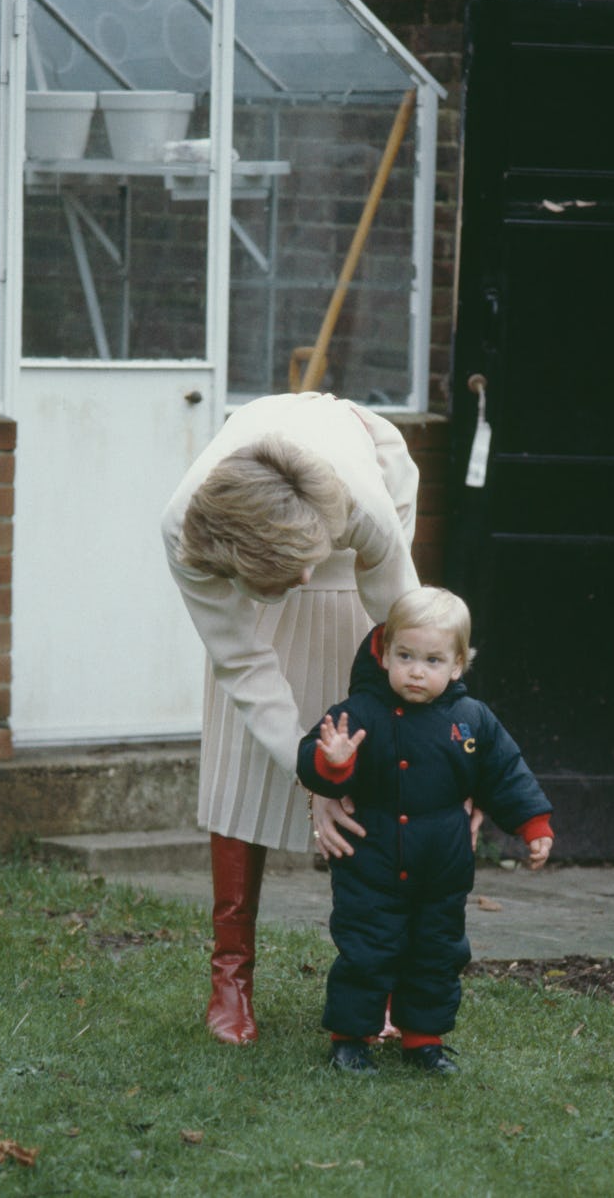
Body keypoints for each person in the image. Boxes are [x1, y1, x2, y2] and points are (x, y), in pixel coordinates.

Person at [161, 391, 421, 1044]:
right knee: (241, 764)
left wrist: (427, 741)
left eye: (307, 562)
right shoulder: (186, 535)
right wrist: (312, 777)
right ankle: (231, 979)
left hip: (348, 503)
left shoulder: (364, 502)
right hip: (256, 538)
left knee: (374, 753)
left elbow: (404, 632)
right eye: (292, 572)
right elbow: (245, 666)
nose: (309, 575)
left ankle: (376, 981)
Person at [296, 586, 554, 1075]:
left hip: (441, 867)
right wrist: (331, 762)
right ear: (385, 654)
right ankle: (350, 1039)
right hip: (370, 861)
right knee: (366, 950)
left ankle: (424, 1040)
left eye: (433, 660)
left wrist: (533, 823)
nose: (417, 670)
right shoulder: (360, 713)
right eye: (406, 656)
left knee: (436, 952)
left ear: (458, 665)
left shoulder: (472, 720)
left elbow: (505, 773)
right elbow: (314, 758)